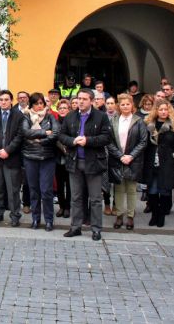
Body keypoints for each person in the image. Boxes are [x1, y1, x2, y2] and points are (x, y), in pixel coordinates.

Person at [59, 88, 112, 241]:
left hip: (94, 162)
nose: (80, 101)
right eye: (79, 98)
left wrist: (88, 140)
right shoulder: (70, 116)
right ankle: (75, 227)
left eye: (84, 99)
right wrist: (72, 141)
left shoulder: (101, 117)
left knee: (95, 198)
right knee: (76, 197)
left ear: (91, 101)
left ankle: (96, 229)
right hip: (74, 162)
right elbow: (62, 135)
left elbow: (107, 138)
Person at [106, 94, 148, 230]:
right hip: (117, 159)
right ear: (119, 106)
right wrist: (120, 156)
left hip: (133, 160)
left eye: (128, 104)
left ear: (132, 106)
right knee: (118, 189)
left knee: (131, 189)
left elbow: (143, 141)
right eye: (122, 104)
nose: (125, 106)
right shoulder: (113, 120)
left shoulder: (139, 121)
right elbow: (109, 141)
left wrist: (130, 156)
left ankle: (130, 216)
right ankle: (119, 215)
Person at [0, 90, 25, 226]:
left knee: (13, 189)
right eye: (1, 99)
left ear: (11, 101)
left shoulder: (19, 116)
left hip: (11, 158)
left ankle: (15, 215)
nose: (3, 102)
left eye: (6, 99)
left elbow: (20, 136)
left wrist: (7, 150)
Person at [21, 92, 59, 231]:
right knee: (34, 190)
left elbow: (55, 133)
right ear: (31, 104)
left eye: (41, 103)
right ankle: (35, 219)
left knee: (46, 191)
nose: (39, 106)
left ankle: (49, 220)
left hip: (47, 158)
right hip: (30, 158)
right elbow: (26, 133)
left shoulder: (50, 117)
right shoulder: (26, 117)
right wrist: (44, 132)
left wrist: (39, 140)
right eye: (36, 103)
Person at [143, 99, 174, 228]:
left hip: (167, 162)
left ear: (169, 111)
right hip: (152, 162)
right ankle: (155, 214)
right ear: (156, 111)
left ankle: (161, 216)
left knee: (165, 191)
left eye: (165, 109)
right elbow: (144, 143)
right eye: (160, 109)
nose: (163, 112)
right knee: (152, 191)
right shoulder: (149, 125)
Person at [55, 99, 71, 219]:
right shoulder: (54, 122)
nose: (62, 110)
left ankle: (68, 207)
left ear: (69, 109)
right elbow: (53, 137)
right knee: (60, 184)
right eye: (60, 108)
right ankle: (61, 206)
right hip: (57, 157)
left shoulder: (73, 122)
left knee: (69, 184)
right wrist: (61, 147)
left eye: (65, 108)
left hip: (70, 157)